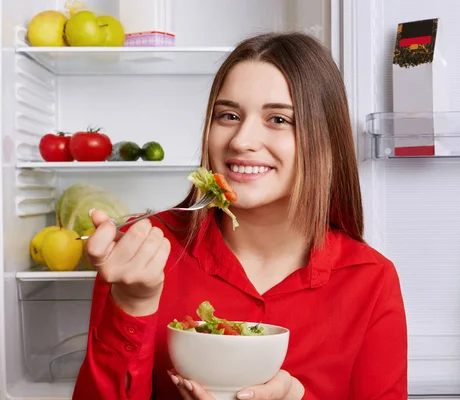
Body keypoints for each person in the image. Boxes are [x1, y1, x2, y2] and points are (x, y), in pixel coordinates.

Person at [72, 32, 407, 400]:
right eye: (228, 115)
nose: (241, 140)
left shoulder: (371, 281)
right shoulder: (141, 255)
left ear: (325, 141)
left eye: (278, 119)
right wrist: (131, 305)